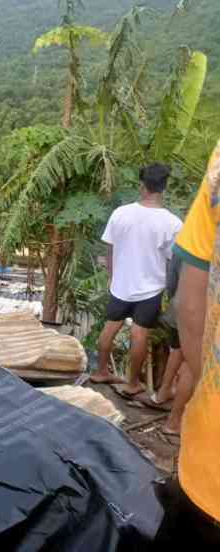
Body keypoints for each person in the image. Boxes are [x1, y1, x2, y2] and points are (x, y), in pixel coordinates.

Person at [153, 142, 220, 547]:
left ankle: (167, 404)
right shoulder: (166, 221)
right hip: (148, 293)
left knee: (184, 355)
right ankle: (170, 413)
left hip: (208, 474)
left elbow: (190, 294)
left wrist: (207, 377)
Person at [90, 164, 183, 397]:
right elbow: (173, 262)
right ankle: (132, 384)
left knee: (110, 327)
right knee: (139, 334)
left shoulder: (120, 213)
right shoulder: (172, 223)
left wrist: (113, 276)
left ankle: (100, 371)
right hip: (151, 289)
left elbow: (109, 249)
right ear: (165, 187)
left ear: (141, 185)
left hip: (120, 285)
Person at [136, 254, 193, 436]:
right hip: (201, 314)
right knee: (190, 365)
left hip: (179, 307)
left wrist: (175, 298)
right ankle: (175, 422)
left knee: (177, 351)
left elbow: (172, 278)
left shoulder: (191, 236)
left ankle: (162, 394)